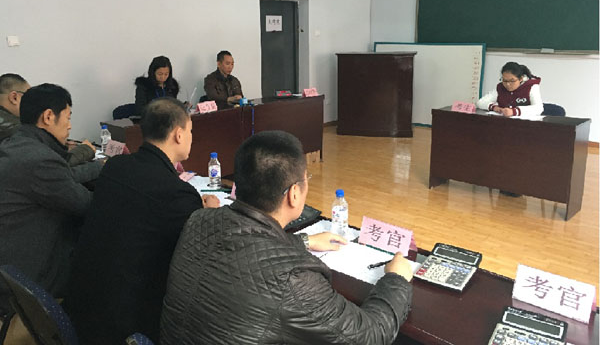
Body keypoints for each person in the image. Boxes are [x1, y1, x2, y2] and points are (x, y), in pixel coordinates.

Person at [161, 131, 413, 345]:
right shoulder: (293, 278)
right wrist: (397, 279)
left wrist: (304, 241)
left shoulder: (199, 219)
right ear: (294, 193)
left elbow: (246, 252)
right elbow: (370, 335)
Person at [65, 98, 220, 345]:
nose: (191, 137)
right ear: (179, 134)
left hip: (81, 303)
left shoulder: (115, 166)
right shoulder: (177, 193)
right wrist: (209, 214)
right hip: (125, 326)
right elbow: (198, 258)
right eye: (190, 131)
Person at [0, 84, 103, 314]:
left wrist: (100, 167)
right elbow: (87, 204)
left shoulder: (16, 144)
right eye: (68, 117)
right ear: (48, 117)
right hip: (26, 280)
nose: (70, 125)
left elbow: (63, 176)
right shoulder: (40, 160)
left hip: (9, 265)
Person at [0, 73, 96, 165]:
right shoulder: (13, 129)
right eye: (27, 96)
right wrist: (85, 150)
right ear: (14, 97)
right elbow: (51, 165)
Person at [477, 62, 543, 117]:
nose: (508, 84)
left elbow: (539, 108)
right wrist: (494, 108)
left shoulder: (531, 87)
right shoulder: (500, 87)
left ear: (521, 79)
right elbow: (480, 102)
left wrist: (514, 111)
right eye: (505, 80)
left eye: (512, 81)